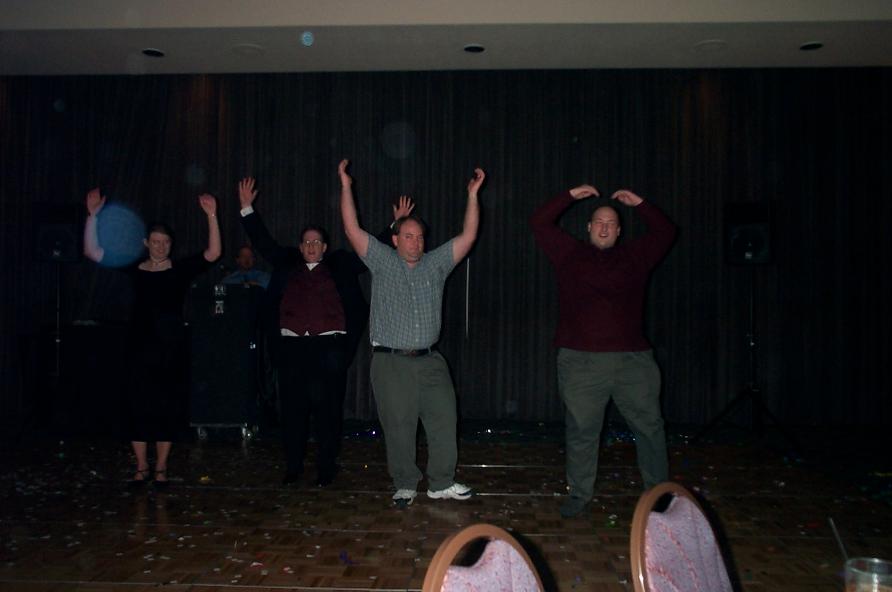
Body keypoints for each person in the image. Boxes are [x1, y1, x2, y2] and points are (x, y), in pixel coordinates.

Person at [237, 177, 413, 487]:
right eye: (306, 242)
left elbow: (369, 250)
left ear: (325, 247)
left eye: (316, 242)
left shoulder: (340, 263)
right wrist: (247, 208)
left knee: (328, 414)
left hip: (329, 351)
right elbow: (264, 243)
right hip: (292, 351)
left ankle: (326, 468)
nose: (311, 246)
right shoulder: (287, 262)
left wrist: (395, 225)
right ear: (300, 246)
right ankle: (293, 467)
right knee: (293, 413)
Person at [338, 158, 486, 508]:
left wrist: (473, 196)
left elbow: (468, 236)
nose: (415, 243)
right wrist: (345, 186)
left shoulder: (436, 264)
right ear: (395, 239)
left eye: (419, 237)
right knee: (399, 425)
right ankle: (405, 483)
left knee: (444, 419)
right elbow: (352, 229)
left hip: (431, 360)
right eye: (408, 236)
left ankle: (441, 482)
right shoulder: (382, 260)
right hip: (391, 361)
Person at [530, 183, 677, 518]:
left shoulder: (636, 256)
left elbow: (667, 232)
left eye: (611, 223)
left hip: (632, 361)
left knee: (650, 428)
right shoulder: (569, 253)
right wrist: (569, 196)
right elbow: (539, 222)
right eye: (599, 221)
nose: (605, 227)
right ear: (588, 227)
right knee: (582, 431)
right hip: (580, 361)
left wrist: (641, 202)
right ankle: (580, 494)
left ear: (620, 231)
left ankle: (659, 495)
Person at [83, 187, 221, 487]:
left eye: (165, 242)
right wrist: (92, 217)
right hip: (139, 347)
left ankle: (160, 467)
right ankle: (141, 465)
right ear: (146, 243)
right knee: (137, 405)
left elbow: (213, 253)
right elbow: (93, 252)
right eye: (155, 242)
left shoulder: (179, 270)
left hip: (170, 349)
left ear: (171, 245)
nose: (160, 246)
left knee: (165, 407)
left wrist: (212, 215)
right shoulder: (135, 268)